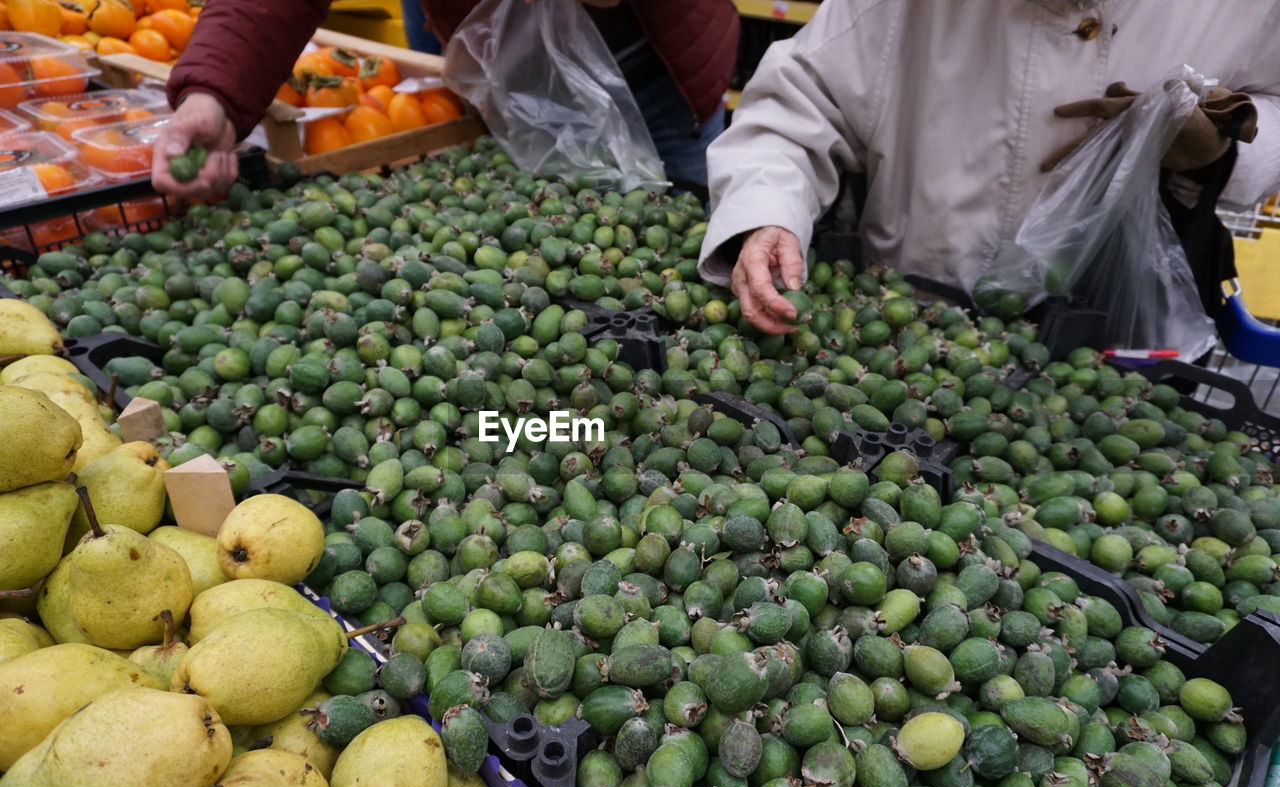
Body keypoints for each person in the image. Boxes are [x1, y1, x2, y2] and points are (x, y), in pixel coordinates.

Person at [699, 1, 1280, 335]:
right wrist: (767, 215)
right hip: (907, 313)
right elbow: (796, 107)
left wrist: (1219, 148)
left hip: (1117, 338)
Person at [151, 0, 737, 195]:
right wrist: (216, 93)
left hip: (662, 69)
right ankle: (566, 432)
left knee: (688, 251)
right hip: (514, 80)